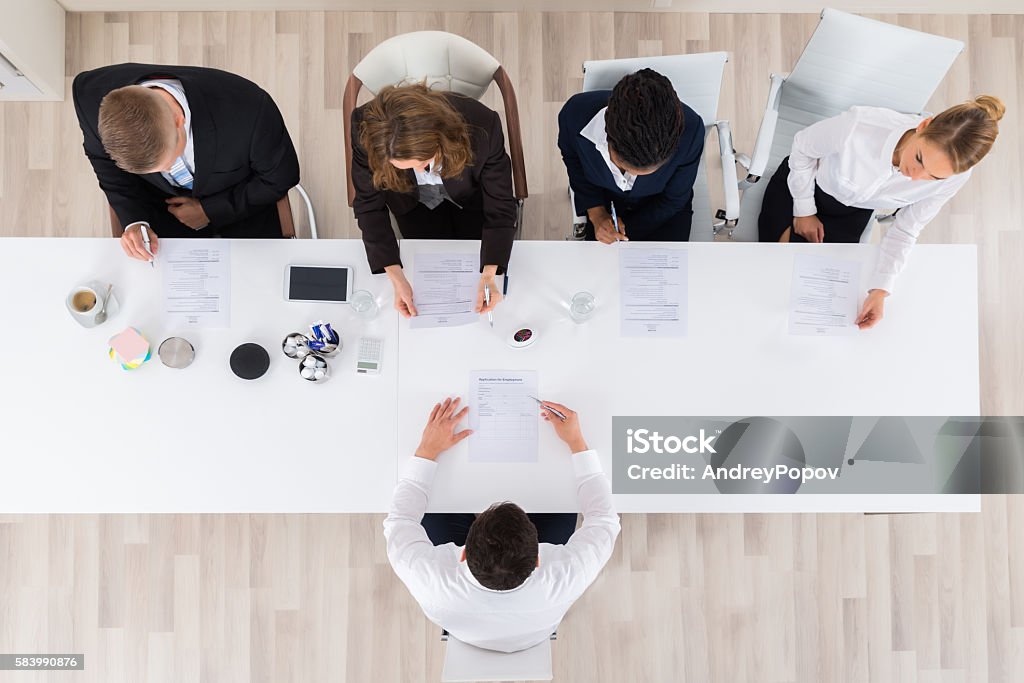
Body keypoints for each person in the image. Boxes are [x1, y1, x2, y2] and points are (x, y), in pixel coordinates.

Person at [383, 397, 620, 653]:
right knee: (562, 501)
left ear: (463, 551)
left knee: (435, 505)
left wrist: (427, 450)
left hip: (470, 625)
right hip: (528, 628)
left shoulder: (424, 573)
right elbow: (604, 520)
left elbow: (401, 519)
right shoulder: (568, 574)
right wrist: (576, 442)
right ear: (539, 558)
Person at [758, 96, 1005, 329]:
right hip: (803, 186)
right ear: (924, 125)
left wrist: (880, 289)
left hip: (851, 216)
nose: (915, 176)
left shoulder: (954, 176)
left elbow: (907, 229)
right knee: (774, 277)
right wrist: (803, 211)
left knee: (820, 302)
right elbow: (802, 149)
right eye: (919, 159)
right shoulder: (857, 127)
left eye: (933, 177)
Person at [72, 63, 300, 261]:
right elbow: (103, 161)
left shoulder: (250, 110)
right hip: (160, 211)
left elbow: (281, 177)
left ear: (178, 120)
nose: (169, 172)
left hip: (241, 204)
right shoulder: (90, 98)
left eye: (169, 162)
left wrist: (210, 210)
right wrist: (134, 221)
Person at [350, 84, 515, 318]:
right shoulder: (362, 127)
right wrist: (396, 277)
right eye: (407, 166)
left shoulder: (483, 125)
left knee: (472, 251)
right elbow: (368, 204)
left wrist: (490, 274)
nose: (421, 170)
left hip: (469, 197)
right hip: (409, 200)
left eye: (423, 162)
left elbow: (500, 204)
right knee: (425, 253)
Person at [558, 68, 704, 243]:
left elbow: (674, 200)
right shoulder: (573, 116)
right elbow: (575, 166)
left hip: (662, 211)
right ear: (607, 135)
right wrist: (597, 214)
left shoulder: (692, 131)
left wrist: (626, 234)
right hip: (603, 201)